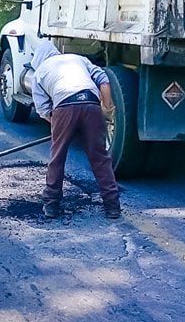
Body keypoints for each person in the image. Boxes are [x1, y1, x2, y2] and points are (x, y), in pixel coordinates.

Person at [31, 41, 121, 220]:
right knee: (99, 156)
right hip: (91, 102)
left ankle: (51, 206)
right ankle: (112, 207)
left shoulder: (39, 73)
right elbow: (103, 79)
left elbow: (43, 110)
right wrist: (107, 109)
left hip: (64, 106)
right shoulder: (78, 59)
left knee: (57, 156)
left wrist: (61, 127)